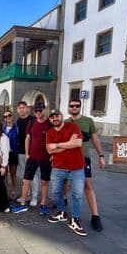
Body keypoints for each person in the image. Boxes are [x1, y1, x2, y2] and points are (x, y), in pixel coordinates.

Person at [66, 99, 105, 232]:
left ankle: (95, 216)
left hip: (84, 159)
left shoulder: (88, 121)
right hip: (68, 158)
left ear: (80, 107)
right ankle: (63, 205)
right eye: (72, 106)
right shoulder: (65, 122)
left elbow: (95, 139)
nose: (74, 107)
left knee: (87, 185)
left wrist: (101, 156)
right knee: (64, 182)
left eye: (77, 106)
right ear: (69, 107)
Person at [46, 109, 87, 236]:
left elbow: (78, 143)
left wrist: (57, 145)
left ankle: (75, 219)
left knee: (77, 195)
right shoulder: (49, 132)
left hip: (76, 168)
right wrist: (69, 143)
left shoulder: (73, 127)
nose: (55, 119)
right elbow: (50, 151)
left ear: (61, 116)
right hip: (58, 168)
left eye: (57, 116)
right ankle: (62, 212)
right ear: (50, 120)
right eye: (52, 117)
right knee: (56, 192)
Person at [12, 102, 52, 215]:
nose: (39, 112)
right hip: (32, 156)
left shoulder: (49, 123)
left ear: (45, 110)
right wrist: (27, 153)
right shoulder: (32, 122)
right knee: (26, 180)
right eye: (37, 111)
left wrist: (53, 155)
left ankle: (42, 204)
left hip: (45, 158)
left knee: (44, 182)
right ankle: (23, 204)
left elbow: (55, 138)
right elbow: (27, 138)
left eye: (41, 110)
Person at [16, 101, 39, 206]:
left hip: (31, 153)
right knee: (23, 176)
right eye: (19, 108)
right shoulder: (18, 121)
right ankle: (27, 194)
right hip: (20, 152)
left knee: (33, 175)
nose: (21, 109)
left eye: (23, 107)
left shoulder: (33, 120)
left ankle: (34, 197)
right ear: (17, 110)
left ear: (27, 109)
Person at [2, 110, 18, 199]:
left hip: (13, 153)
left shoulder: (16, 128)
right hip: (4, 153)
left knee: (13, 173)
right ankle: (5, 190)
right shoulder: (2, 128)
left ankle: (13, 190)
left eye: (9, 115)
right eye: (5, 116)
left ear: (12, 116)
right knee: (4, 173)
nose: (7, 117)